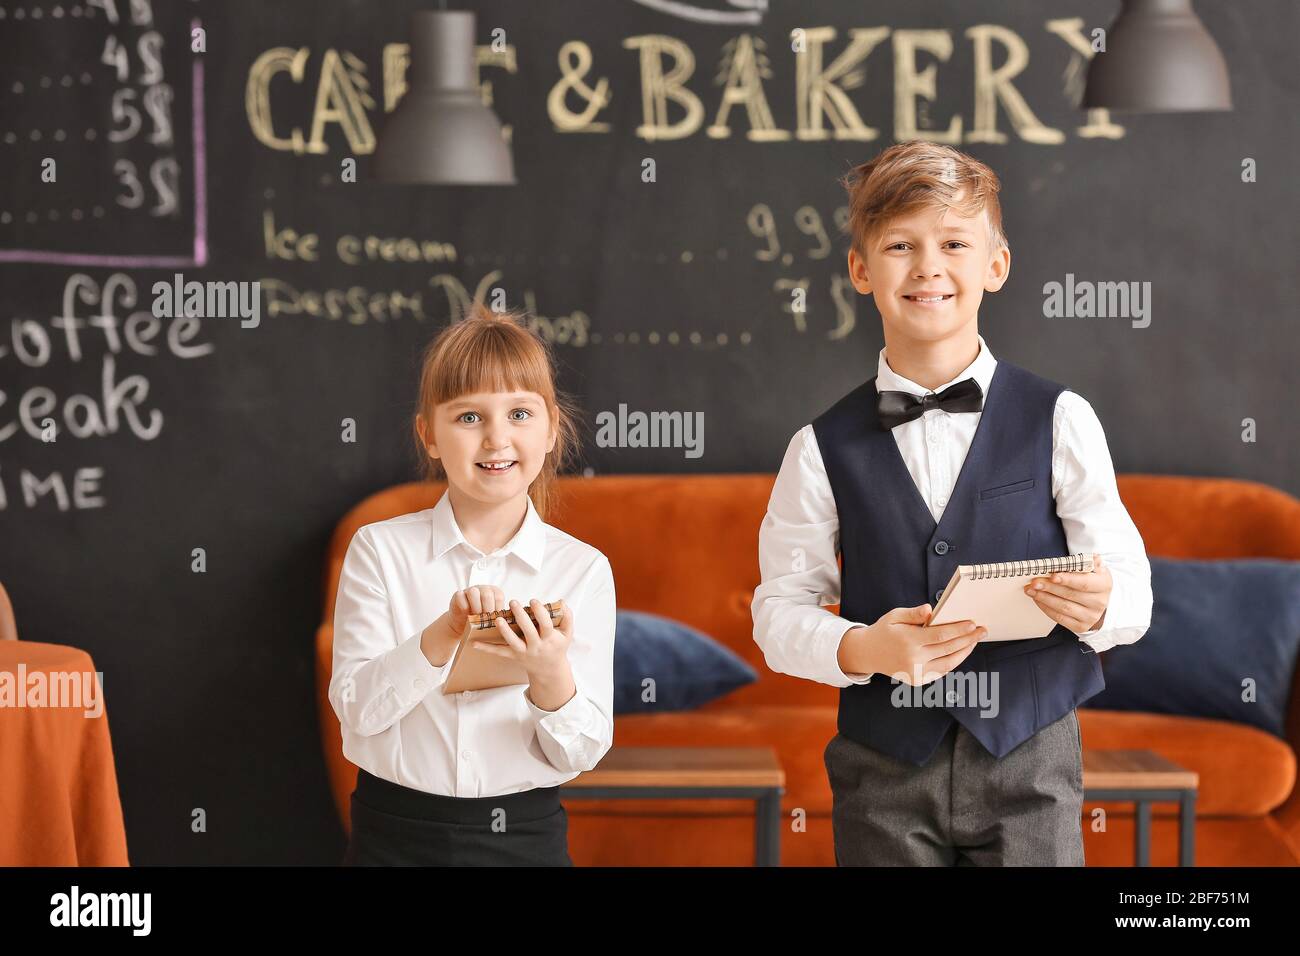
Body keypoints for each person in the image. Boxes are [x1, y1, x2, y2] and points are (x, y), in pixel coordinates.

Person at [751, 141, 1153, 866]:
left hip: (1031, 756)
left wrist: (1101, 604)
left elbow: (1133, 590)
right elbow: (778, 612)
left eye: (954, 243)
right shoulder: (818, 447)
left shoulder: (1061, 419)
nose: (928, 266)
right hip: (883, 767)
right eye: (900, 245)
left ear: (994, 265)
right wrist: (864, 645)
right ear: (860, 270)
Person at [331, 302, 616, 865]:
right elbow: (357, 711)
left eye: (519, 414)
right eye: (468, 418)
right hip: (395, 833)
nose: (495, 439)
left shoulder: (583, 569)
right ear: (429, 435)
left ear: (553, 427)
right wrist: (443, 634)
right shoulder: (378, 550)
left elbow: (580, 752)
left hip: (525, 838)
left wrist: (548, 672)